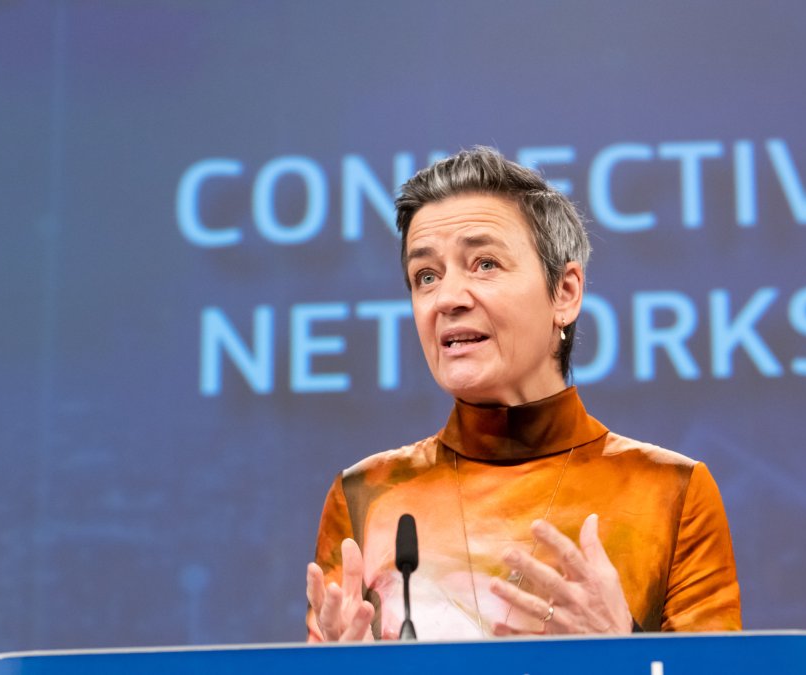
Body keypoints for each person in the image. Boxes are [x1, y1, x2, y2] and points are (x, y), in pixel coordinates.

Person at [305, 147, 740, 642]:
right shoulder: (367, 495)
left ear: (565, 293)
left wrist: (624, 646)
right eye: (426, 276)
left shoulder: (669, 491)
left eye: (485, 264)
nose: (448, 299)